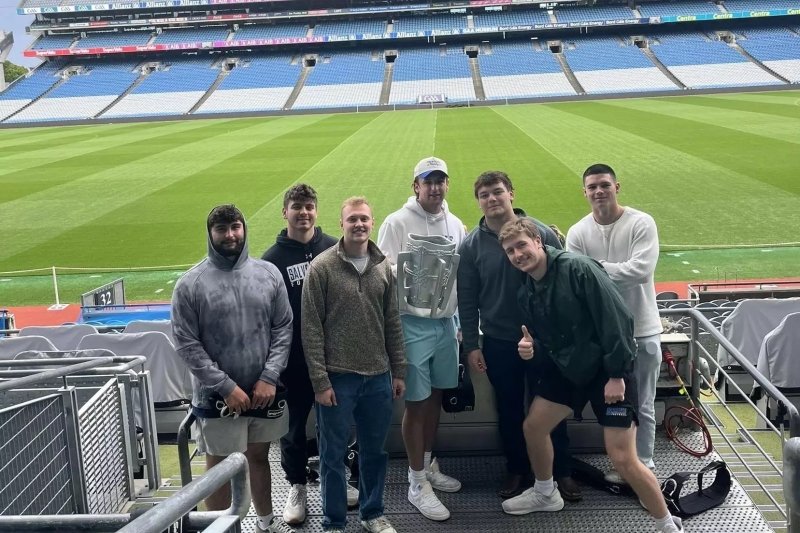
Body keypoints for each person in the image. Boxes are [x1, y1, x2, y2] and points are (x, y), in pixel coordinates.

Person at [497, 218, 683, 533]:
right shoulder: (527, 290)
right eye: (510, 251)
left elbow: (618, 320)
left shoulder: (578, 269)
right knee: (533, 427)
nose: (517, 254)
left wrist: (616, 375)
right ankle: (546, 492)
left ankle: (668, 524)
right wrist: (532, 349)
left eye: (522, 245)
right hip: (568, 369)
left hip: (606, 372)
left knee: (622, 457)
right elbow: (547, 341)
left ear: (539, 243)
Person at [456, 171, 579, 501]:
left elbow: (565, 281)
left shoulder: (539, 232)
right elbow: (467, 298)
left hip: (545, 340)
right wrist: (472, 345)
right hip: (498, 341)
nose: (492, 199)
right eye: (484, 195)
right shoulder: (470, 245)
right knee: (509, 409)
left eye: (497, 192)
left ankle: (562, 471)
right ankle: (517, 469)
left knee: (551, 407)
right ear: (478, 201)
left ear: (511, 193)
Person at [172, 204, 295, 533]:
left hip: (262, 393)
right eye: (222, 229)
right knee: (220, 468)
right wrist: (226, 387)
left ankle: (266, 523)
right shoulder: (190, 284)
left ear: (244, 229)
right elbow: (187, 345)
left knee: (258, 457)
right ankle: (222, 529)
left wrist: (269, 377)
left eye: (235, 227)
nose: (230, 235)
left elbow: (283, 327)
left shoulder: (268, 274)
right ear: (210, 234)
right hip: (217, 401)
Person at [302, 196, 407, 533]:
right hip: (338, 379)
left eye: (364, 219)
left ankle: (372, 513)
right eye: (352, 220)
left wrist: (399, 370)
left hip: (378, 377)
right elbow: (311, 328)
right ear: (341, 224)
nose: (359, 225)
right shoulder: (321, 267)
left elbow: (392, 321)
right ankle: (333, 522)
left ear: (372, 222)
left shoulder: (382, 266)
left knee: (374, 452)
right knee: (332, 457)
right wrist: (320, 382)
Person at [261, 184, 358, 526]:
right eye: (296, 206)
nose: (303, 212)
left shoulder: (336, 248)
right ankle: (297, 485)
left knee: (338, 423)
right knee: (293, 428)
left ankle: (339, 477)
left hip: (335, 358)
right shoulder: (271, 261)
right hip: (293, 363)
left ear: (317, 211)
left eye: (309, 206)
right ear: (285, 212)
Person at [377, 156, 466, 521]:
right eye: (427, 181)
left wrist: (458, 321)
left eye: (440, 181)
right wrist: (416, 266)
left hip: (446, 324)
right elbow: (380, 269)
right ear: (415, 186)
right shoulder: (396, 222)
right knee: (416, 403)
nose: (434, 187)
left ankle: (428, 464)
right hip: (410, 324)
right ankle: (415, 482)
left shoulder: (456, 222)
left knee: (435, 398)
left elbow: (461, 272)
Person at [566, 163, 663, 484]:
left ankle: (644, 467)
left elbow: (641, 270)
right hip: (602, 338)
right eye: (592, 187)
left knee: (644, 404)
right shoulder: (578, 231)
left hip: (643, 329)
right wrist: (598, 274)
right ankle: (627, 466)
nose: (598, 191)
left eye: (604, 185)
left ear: (616, 187)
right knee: (616, 408)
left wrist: (593, 270)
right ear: (584, 192)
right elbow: (575, 283)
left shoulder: (641, 223)